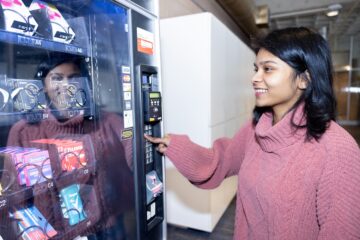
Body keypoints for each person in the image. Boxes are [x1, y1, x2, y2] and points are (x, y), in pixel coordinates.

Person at [145, 27, 360, 239]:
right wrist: (176, 145)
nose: (255, 78)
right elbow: (219, 161)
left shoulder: (337, 149)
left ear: (304, 79)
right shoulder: (256, 129)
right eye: (256, 68)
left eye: (268, 69)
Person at [5, 53, 134, 239]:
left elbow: (136, 155)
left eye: (73, 78)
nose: (66, 85)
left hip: (107, 229)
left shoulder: (108, 121)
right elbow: (16, 197)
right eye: (57, 78)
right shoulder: (23, 132)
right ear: (43, 86)